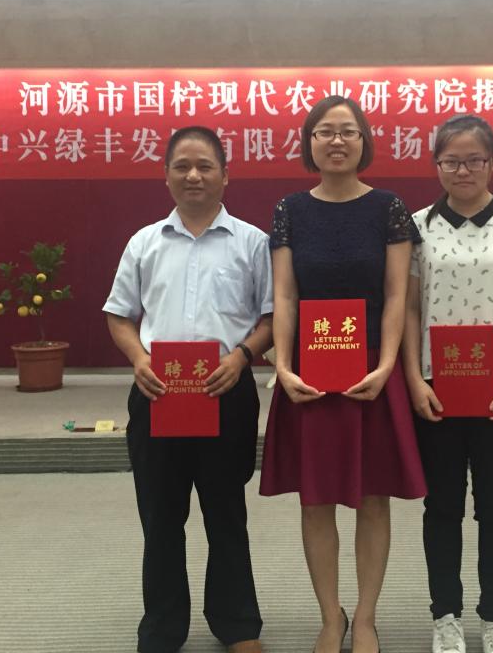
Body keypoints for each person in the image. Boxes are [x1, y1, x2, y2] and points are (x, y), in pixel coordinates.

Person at [259, 96, 426, 653]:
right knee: (315, 499)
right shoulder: (289, 210)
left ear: (364, 142)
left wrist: (387, 365)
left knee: (373, 497)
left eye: (348, 131)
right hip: (309, 372)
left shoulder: (388, 208)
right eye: (325, 132)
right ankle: (331, 617)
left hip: (373, 370)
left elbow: (398, 295)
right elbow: (285, 295)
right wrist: (283, 367)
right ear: (309, 143)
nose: (336, 141)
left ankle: (368, 618)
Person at [103, 126, 273, 653]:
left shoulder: (252, 242)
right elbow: (119, 315)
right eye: (182, 166)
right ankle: (162, 628)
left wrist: (242, 356)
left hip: (226, 392)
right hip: (159, 394)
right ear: (167, 176)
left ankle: (237, 625)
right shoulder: (144, 242)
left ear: (225, 174)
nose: (193, 175)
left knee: (227, 514)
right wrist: (139, 359)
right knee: (160, 517)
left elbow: (271, 317)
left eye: (204, 166)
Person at [401, 114, 493, 653]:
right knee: (441, 505)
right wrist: (413, 379)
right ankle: (444, 615)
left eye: (473, 160)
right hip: (435, 389)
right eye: (451, 161)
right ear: (436, 164)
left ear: (492, 162)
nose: (462, 170)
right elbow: (408, 307)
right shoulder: (416, 227)